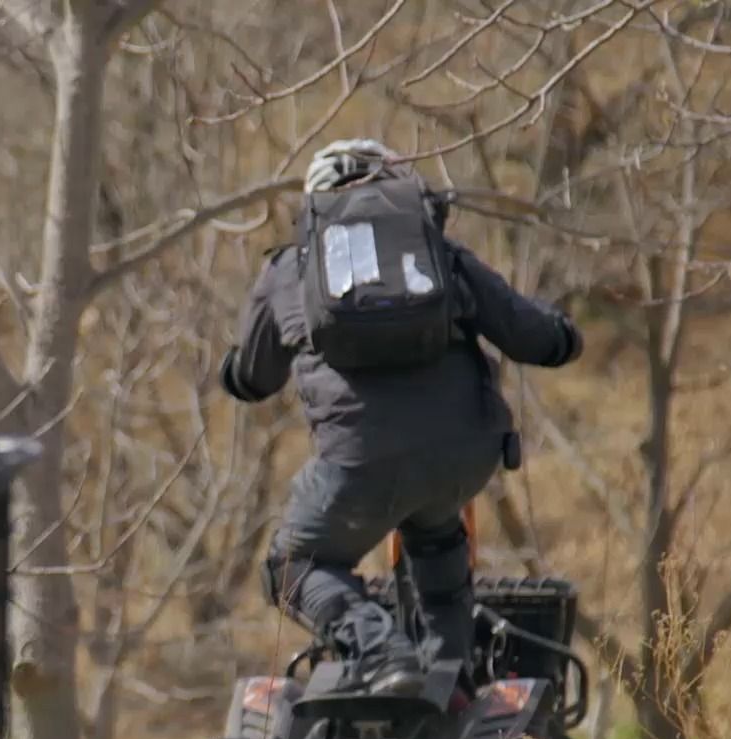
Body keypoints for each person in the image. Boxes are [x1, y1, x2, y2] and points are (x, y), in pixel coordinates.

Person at [221, 138, 583, 700]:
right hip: (466, 453)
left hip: (362, 465)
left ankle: (381, 651)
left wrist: (233, 371)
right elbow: (532, 336)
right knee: (436, 536)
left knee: (291, 565)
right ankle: (448, 686)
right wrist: (565, 336)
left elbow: (254, 380)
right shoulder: (436, 254)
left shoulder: (289, 270)